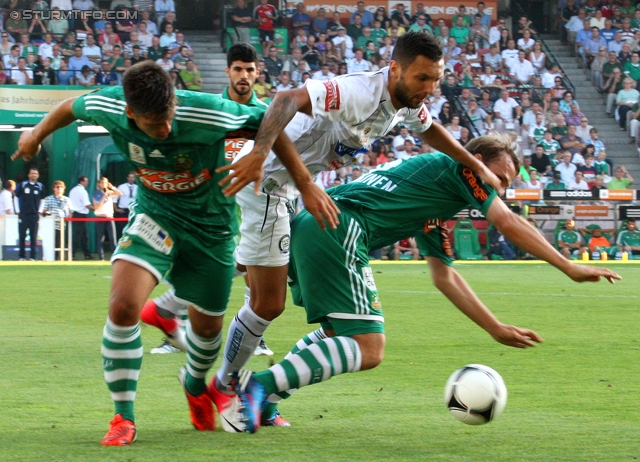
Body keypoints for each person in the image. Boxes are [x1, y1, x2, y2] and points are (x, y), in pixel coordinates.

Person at [143, 32, 507, 433]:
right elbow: (283, 99)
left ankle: (182, 321)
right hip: (265, 185)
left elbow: (430, 128)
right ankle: (227, 385)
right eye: (423, 78)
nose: (430, 88)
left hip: (280, 190)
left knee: (264, 290)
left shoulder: (403, 103)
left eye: (435, 79)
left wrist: (476, 162)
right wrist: (271, 160)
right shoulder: (356, 92)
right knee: (267, 303)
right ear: (396, 69)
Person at [11, 59, 337, 445]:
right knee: (122, 305)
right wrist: (34, 133)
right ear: (130, 113)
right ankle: (123, 417)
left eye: (168, 117)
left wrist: (278, 165)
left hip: (212, 228)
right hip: (156, 216)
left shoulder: (208, 110)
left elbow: (270, 118)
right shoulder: (111, 105)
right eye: (153, 123)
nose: (164, 128)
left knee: (208, 330)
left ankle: (196, 383)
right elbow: (70, 106)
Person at [232, 133, 621, 433]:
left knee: (340, 334)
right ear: (478, 162)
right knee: (369, 348)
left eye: (505, 185)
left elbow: (444, 276)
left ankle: (268, 398)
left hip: (314, 224)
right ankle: (257, 386)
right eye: (499, 178)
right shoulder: (458, 167)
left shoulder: (438, 199)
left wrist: (495, 328)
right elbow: (507, 221)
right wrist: (568, 266)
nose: (498, 189)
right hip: (339, 225)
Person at [14, 168, 44, 261]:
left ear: (38, 175)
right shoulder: (23, 185)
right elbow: (15, 197)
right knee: (22, 236)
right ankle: (21, 256)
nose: (34, 175)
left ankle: (32, 257)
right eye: (32, 173)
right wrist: (17, 210)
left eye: (35, 173)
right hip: (23, 214)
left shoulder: (40, 186)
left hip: (34, 215)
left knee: (33, 236)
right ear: (29, 175)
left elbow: (43, 199)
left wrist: (39, 211)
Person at [42, 180, 72, 259]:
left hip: (61, 225)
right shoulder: (48, 199)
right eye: (57, 187)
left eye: (61, 187)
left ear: (64, 189)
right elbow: (44, 211)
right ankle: (48, 258)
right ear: (53, 188)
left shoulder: (67, 200)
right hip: (50, 226)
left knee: (60, 242)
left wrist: (67, 216)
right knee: (50, 242)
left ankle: (58, 258)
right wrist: (50, 215)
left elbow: (71, 212)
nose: (59, 188)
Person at [115, 171, 137, 240]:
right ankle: (120, 244)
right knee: (121, 228)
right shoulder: (121, 187)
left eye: (132, 177)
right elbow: (115, 198)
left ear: (135, 178)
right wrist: (116, 208)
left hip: (133, 211)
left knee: (133, 228)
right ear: (127, 178)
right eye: (130, 177)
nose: (131, 179)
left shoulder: (137, 188)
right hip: (123, 211)